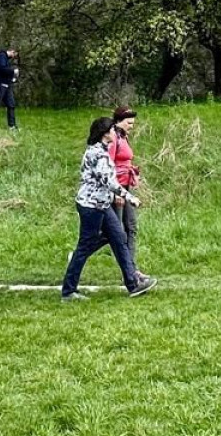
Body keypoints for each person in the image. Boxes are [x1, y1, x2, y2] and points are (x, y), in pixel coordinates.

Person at [59, 116, 156, 301]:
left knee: (119, 237)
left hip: (102, 204)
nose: (115, 133)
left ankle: (133, 285)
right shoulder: (98, 154)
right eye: (112, 130)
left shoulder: (103, 150)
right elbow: (109, 182)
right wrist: (130, 197)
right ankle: (68, 291)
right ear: (105, 133)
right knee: (85, 245)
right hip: (91, 206)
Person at [108, 107, 142, 262]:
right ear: (118, 121)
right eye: (129, 123)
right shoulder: (113, 138)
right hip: (117, 189)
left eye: (133, 123)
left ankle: (130, 267)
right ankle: (79, 255)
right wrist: (116, 193)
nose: (132, 126)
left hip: (126, 186)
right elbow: (108, 165)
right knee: (114, 231)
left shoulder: (123, 136)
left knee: (131, 226)